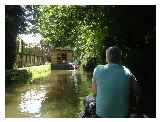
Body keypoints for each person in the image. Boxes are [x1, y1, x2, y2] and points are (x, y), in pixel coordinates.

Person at [92, 46, 141, 118]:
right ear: (120, 58)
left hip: (101, 115)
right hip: (122, 115)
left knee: (88, 99)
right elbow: (137, 92)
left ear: (107, 58)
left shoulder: (98, 69)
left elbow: (94, 92)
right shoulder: (127, 71)